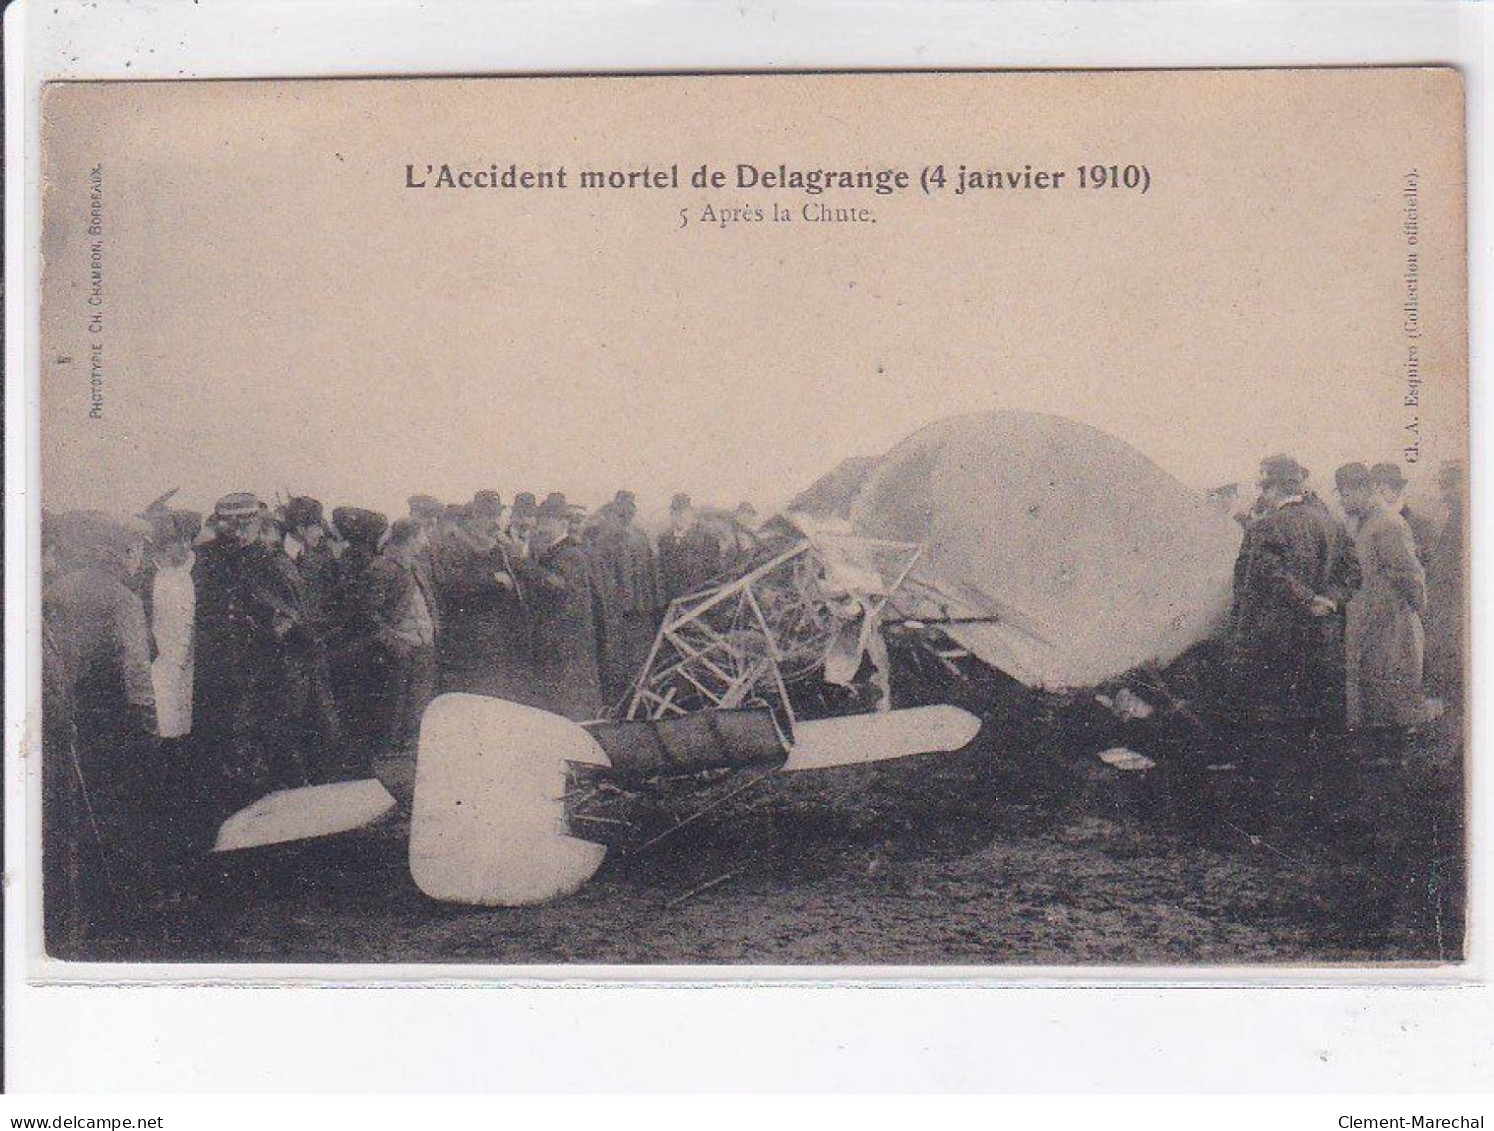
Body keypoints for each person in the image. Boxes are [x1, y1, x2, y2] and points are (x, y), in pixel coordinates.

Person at [44, 510, 158, 939]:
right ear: (109, 549)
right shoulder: (120, 596)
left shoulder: (54, 592)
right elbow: (136, 667)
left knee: (72, 807)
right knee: (117, 807)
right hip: (114, 716)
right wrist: (148, 724)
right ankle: (117, 905)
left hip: (66, 714)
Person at [1225, 455, 1360, 778]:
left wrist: (1305, 599)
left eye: (1264, 487)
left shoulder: (1264, 528)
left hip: (1277, 648)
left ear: (1272, 489)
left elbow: (1261, 580)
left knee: (1280, 735)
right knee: (1323, 731)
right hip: (1324, 643)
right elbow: (1354, 573)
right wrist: (1327, 600)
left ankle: (1283, 809)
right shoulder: (1333, 524)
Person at [193, 493, 307, 815]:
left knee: (263, 743)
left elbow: (292, 617)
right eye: (231, 526)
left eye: (246, 525)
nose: (239, 533)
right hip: (217, 669)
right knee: (224, 742)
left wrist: (269, 636)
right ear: (221, 526)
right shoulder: (205, 560)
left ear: (258, 524)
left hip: (262, 671)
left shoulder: (270, 562)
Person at [1337, 462, 1428, 744]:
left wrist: (1415, 611)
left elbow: (1409, 575)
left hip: (1390, 621)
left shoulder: (1388, 523)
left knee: (1391, 685)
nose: (1341, 500)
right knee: (1372, 684)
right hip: (1368, 619)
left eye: (1346, 493)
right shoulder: (1361, 522)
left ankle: (1393, 753)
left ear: (1364, 490)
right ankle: (1379, 750)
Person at [363, 519, 440, 806]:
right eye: (422, 536)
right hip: (401, 654)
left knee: (415, 716)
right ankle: (390, 785)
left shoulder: (413, 565)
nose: (425, 541)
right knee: (394, 717)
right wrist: (395, 643)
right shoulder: (382, 568)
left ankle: (407, 780)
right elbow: (369, 616)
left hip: (422, 650)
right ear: (410, 538)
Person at [430, 492, 527, 698]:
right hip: (467, 630)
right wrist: (492, 581)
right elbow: (451, 585)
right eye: (487, 515)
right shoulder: (456, 543)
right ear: (474, 515)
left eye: (495, 514)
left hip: (495, 630)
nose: (493, 521)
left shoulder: (497, 543)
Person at [520, 492, 606, 720]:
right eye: (540, 522)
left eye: (548, 522)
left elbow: (556, 585)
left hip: (567, 641)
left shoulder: (570, 553)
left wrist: (522, 563)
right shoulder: (556, 551)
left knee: (570, 700)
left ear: (563, 523)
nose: (541, 528)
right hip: (561, 640)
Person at [326, 507, 391, 777]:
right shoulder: (368, 561)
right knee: (364, 712)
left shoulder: (348, 558)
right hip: (363, 647)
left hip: (349, 647)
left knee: (353, 711)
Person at [590, 490, 663, 706]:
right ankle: (621, 704)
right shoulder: (606, 537)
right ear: (615, 507)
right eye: (623, 505)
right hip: (618, 611)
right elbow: (603, 577)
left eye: (631, 505)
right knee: (618, 661)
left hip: (640, 610)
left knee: (639, 660)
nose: (628, 510)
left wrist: (654, 605)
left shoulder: (639, 536)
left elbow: (652, 572)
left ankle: (638, 703)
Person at [146, 509, 202, 742]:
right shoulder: (150, 578)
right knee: (163, 720)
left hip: (189, 663)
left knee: (186, 722)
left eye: (187, 540)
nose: (183, 547)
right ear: (162, 545)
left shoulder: (193, 574)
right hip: (159, 665)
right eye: (175, 541)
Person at [1424, 460, 1465, 703]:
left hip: (1455, 598)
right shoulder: (1454, 518)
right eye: (1442, 486)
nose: (1445, 493)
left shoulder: (1465, 518)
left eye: (1449, 486)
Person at [657, 493, 723, 603]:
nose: (679, 516)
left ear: (691, 513)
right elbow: (662, 571)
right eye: (675, 512)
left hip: (698, 600)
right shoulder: (664, 539)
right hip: (672, 600)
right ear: (671, 514)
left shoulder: (707, 539)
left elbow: (714, 572)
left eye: (683, 512)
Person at [1370, 462, 1435, 566]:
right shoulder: (1370, 525)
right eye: (1374, 493)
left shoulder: (1421, 525)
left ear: (1397, 490)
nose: (1377, 498)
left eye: (1382, 491)